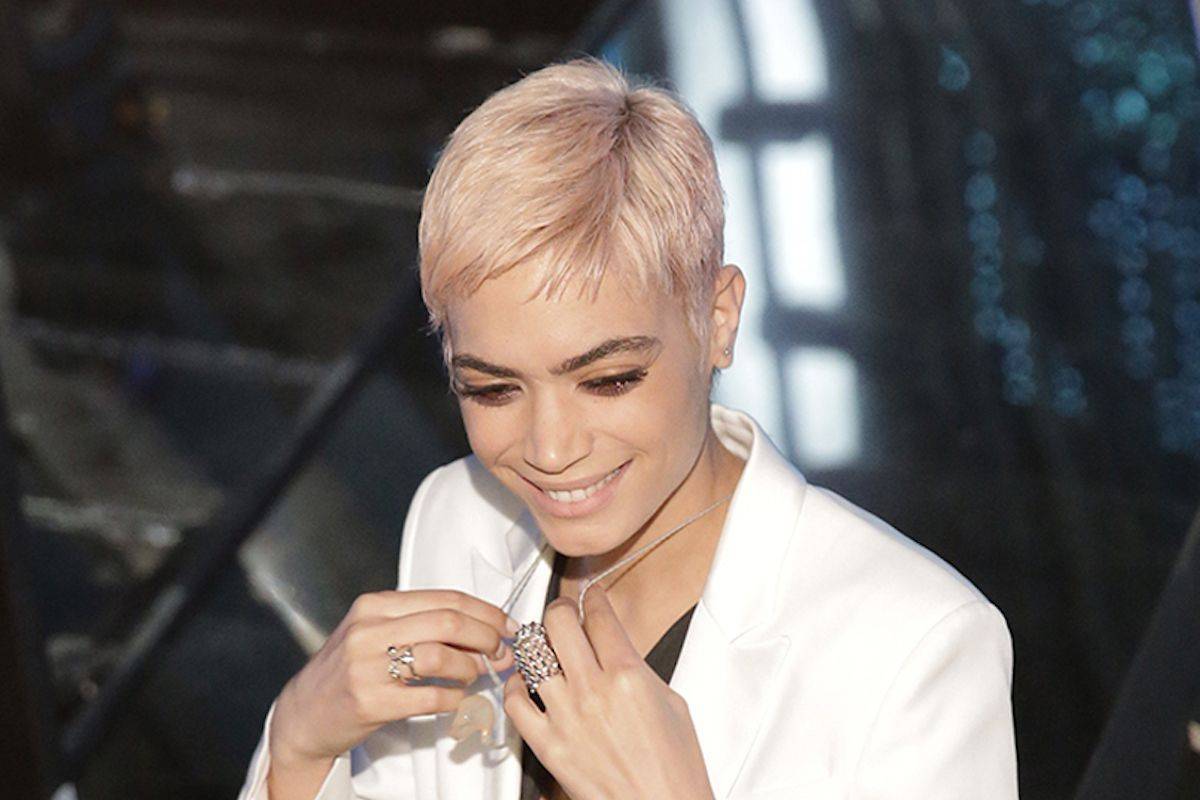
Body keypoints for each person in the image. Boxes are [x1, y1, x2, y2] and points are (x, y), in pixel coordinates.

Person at [237, 57, 1018, 800]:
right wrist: (298, 746)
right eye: (492, 389)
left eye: (608, 379)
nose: (551, 449)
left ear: (718, 319)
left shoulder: (917, 644)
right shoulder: (459, 515)